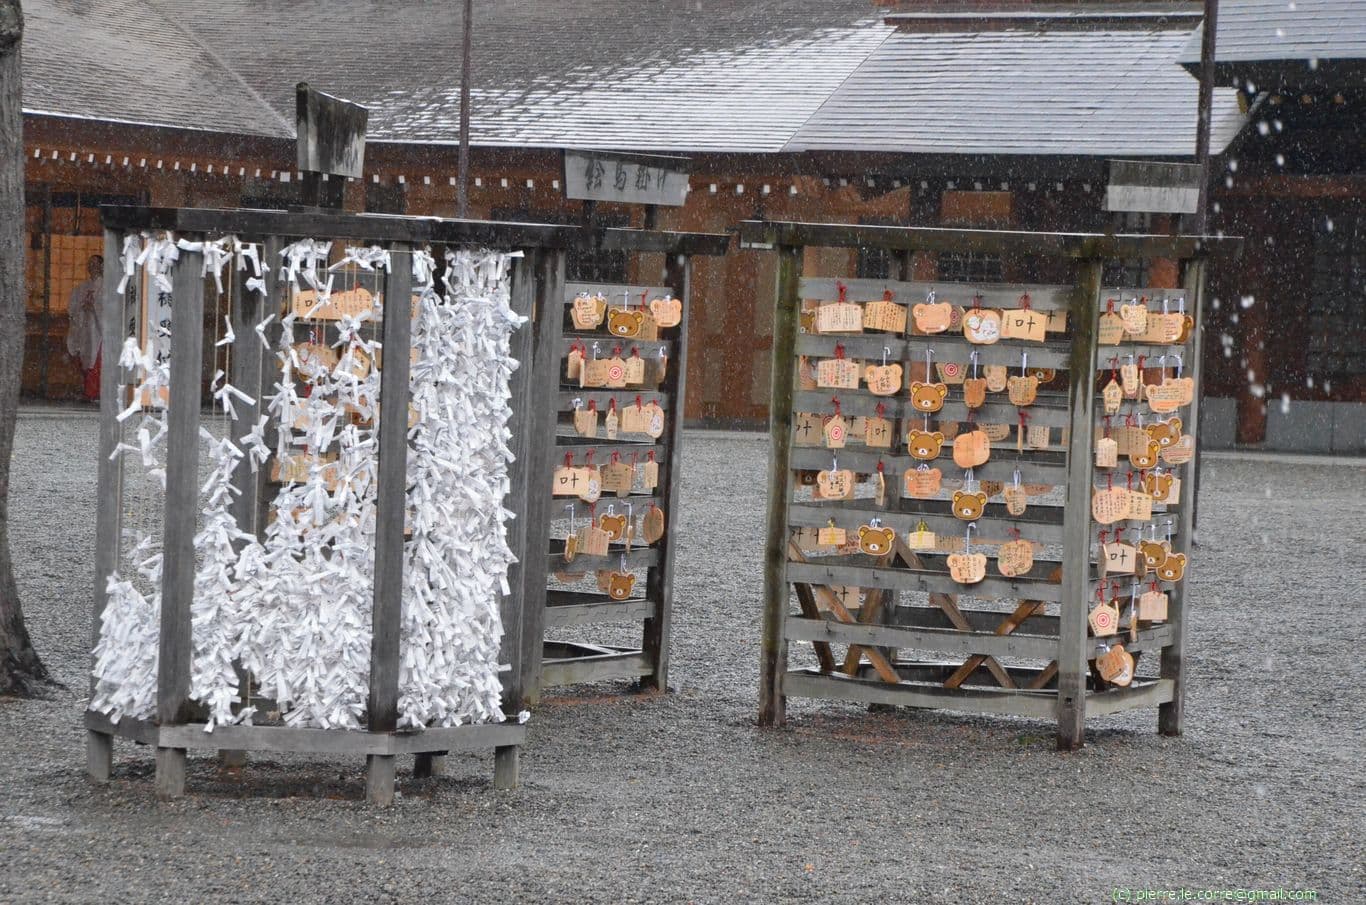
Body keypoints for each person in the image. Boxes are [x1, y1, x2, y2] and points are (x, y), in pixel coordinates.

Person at [66, 254, 103, 401]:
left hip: (98, 330)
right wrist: (82, 307)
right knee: (85, 359)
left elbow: (107, 308)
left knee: (96, 360)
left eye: (95, 263)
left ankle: (94, 393)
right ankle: (88, 392)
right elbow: (72, 307)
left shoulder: (106, 286)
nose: (92, 266)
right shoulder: (82, 287)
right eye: (90, 263)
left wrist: (94, 306)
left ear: (101, 266)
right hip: (85, 328)